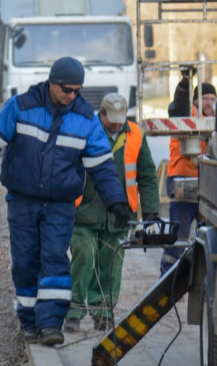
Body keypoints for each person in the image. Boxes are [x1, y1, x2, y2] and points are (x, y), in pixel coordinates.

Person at [0, 57, 130, 347]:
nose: (72, 96)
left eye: (77, 91)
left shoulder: (85, 119)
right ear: (52, 83)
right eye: (67, 90)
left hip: (60, 205)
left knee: (55, 260)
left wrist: (116, 201)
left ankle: (49, 325)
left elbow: (102, 167)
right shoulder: (21, 107)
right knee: (25, 263)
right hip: (22, 201)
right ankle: (29, 323)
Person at [65, 93, 159, 333]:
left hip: (119, 214)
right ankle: (74, 311)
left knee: (111, 264)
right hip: (84, 210)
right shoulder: (86, 130)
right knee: (84, 255)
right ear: (102, 114)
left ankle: (103, 313)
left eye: (121, 118)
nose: (117, 124)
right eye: (112, 119)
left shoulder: (136, 135)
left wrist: (151, 213)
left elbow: (147, 176)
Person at [160, 75, 217, 275]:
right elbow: (177, 108)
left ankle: (197, 280)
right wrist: (184, 88)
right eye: (205, 98)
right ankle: (168, 280)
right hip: (182, 182)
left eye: (212, 99)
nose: (209, 103)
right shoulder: (189, 114)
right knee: (179, 241)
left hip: (207, 186)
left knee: (207, 240)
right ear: (196, 100)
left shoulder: (215, 119)